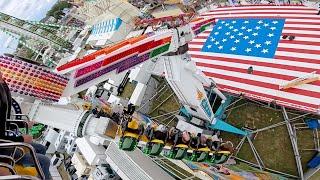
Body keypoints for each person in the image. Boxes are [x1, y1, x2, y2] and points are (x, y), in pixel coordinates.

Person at [0, 72, 51, 179]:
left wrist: (24, 124)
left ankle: (33, 172)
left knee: (41, 148)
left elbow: (3, 123)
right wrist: (21, 139)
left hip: (4, 144)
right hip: (3, 150)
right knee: (44, 161)